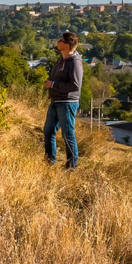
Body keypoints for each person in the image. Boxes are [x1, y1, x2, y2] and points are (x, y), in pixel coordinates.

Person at [43, 31, 83, 169]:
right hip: (55, 101)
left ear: (66, 45)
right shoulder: (61, 60)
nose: (57, 42)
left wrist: (53, 85)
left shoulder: (75, 63)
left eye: (60, 40)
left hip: (67, 103)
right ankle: (49, 162)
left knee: (68, 134)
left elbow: (75, 86)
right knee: (48, 132)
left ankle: (72, 166)